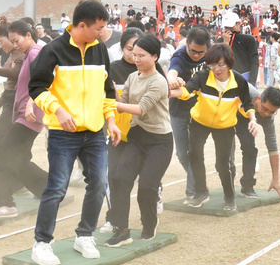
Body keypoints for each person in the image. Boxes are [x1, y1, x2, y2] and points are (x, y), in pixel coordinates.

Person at [28, 0, 121, 265]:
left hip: (94, 132)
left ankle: (85, 235)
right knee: (56, 187)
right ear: (82, 25)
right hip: (63, 133)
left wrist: (111, 120)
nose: (103, 32)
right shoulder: (53, 51)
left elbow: (108, 90)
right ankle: (42, 243)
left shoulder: (100, 49)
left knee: (99, 184)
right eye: (99, 28)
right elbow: (36, 88)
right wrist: (58, 111)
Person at [104, 34, 173, 247]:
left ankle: (149, 225)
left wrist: (109, 104)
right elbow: (122, 102)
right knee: (119, 179)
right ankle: (122, 229)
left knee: (147, 187)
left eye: (141, 55)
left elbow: (140, 109)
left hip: (160, 142)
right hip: (137, 137)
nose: (137, 59)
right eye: (134, 55)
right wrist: (110, 95)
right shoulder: (134, 77)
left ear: (155, 56)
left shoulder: (159, 81)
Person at [170, 43, 256, 210]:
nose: (216, 69)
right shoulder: (203, 76)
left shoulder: (238, 81)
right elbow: (187, 91)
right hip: (200, 121)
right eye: (212, 64)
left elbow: (247, 103)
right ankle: (201, 193)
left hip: (225, 125)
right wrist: (172, 92)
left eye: (221, 64)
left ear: (229, 63)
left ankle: (230, 198)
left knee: (222, 164)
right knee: (194, 155)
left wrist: (252, 119)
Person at [0, 20, 48, 218]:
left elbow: (44, 80)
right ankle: (49, 188)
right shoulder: (29, 54)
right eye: (11, 41)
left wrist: (30, 103)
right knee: (16, 158)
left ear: (29, 35)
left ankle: (4, 203)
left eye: (16, 40)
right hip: (24, 114)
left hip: (28, 116)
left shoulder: (35, 53)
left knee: (2, 154)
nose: (15, 44)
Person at [100, 28, 143, 234]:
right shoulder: (112, 69)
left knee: (141, 178)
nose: (134, 55)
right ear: (121, 48)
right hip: (118, 132)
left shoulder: (150, 71)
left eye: (139, 51)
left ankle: (156, 192)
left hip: (144, 134)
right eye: (129, 49)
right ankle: (114, 219)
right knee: (113, 177)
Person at [167, 27, 210, 200]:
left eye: (201, 52)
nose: (197, 56)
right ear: (186, 43)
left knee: (195, 152)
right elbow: (172, 71)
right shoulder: (179, 56)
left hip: (201, 110)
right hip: (178, 110)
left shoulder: (210, 55)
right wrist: (172, 80)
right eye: (193, 51)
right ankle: (199, 183)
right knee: (181, 153)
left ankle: (195, 190)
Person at [222, 12, 259, 86]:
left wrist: (251, 82)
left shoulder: (248, 39)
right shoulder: (220, 41)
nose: (228, 29)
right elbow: (218, 60)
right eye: (226, 27)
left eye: (230, 26)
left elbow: (254, 62)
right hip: (226, 80)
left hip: (245, 78)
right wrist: (225, 43)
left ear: (238, 24)